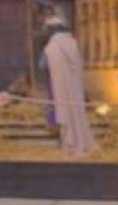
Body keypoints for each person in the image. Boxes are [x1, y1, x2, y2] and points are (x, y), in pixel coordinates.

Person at [39, 15, 95, 155]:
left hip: (59, 87)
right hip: (74, 88)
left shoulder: (52, 47)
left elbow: (42, 65)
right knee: (75, 113)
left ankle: (68, 142)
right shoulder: (73, 43)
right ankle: (78, 141)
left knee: (62, 112)